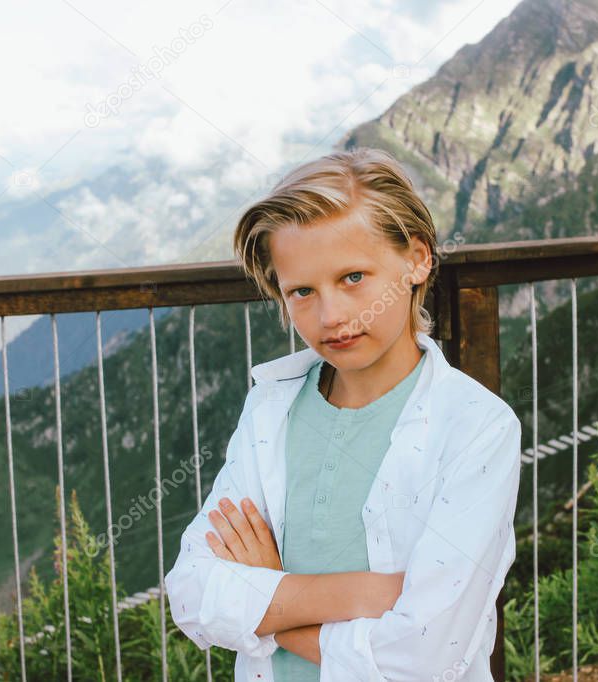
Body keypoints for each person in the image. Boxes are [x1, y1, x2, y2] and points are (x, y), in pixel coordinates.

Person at [165, 147, 522, 681]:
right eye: (302, 291)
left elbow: (424, 657)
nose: (331, 317)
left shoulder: (477, 427)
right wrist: (364, 593)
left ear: (418, 259)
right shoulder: (270, 408)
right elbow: (192, 592)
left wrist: (270, 603)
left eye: (354, 277)